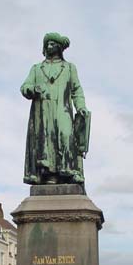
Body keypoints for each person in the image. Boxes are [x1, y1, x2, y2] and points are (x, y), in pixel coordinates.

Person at [21, 32, 89, 185]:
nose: (50, 46)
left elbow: (77, 90)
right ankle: (49, 175)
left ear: (59, 47)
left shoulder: (69, 68)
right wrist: (31, 89)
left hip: (62, 109)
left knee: (66, 136)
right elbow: (25, 86)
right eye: (47, 44)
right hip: (43, 111)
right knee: (45, 142)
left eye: (53, 44)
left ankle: (68, 172)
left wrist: (81, 107)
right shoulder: (37, 69)